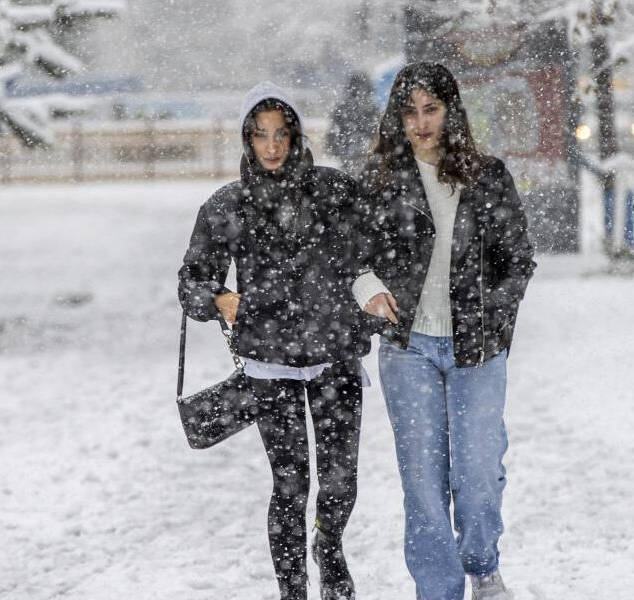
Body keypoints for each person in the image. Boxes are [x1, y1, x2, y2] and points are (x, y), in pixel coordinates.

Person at [178, 82, 370, 600]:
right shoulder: (228, 204)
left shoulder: (336, 192)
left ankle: (329, 550)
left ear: (298, 137)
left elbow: (373, 258)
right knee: (290, 487)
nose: (272, 146)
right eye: (260, 135)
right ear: (246, 139)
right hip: (269, 365)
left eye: (281, 134)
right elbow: (191, 281)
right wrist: (219, 299)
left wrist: (371, 312)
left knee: (340, 483)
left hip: (335, 360)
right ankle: (292, 591)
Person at [350, 62, 535, 600]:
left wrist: (494, 320)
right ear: (396, 117)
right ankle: (438, 590)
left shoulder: (487, 175)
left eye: (431, 109)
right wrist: (367, 290)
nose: (421, 122)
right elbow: (351, 257)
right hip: (407, 348)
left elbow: (518, 260)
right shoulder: (379, 182)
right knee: (424, 483)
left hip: (478, 346)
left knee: (478, 475)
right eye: (410, 111)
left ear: (451, 110)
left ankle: (483, 565)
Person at [325, 71, 381, 178]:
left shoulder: (341, 110)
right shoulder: (374, 110)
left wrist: (343, 150)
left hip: (348, 160)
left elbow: (331, 140)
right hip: (367, 162)